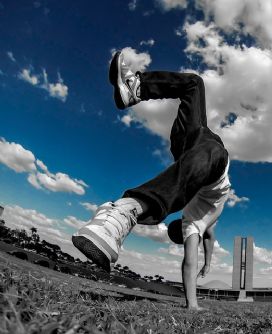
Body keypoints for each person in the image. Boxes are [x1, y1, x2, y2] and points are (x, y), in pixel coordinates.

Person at [72, 50, 231, 310]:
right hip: (194, 142)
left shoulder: (192, 224)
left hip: (201, 154)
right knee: (194, 84)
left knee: (212, 151)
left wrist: (192, 303)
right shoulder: (202, 223)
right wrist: (210, 263)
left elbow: (191, 259)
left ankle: (127, 211)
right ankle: (135, 88)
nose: (182, 224)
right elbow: (210, 237)